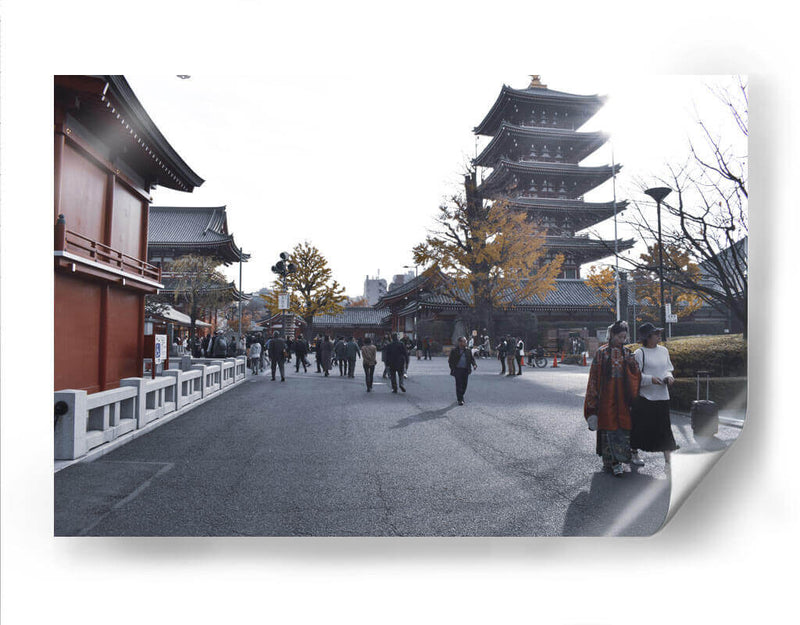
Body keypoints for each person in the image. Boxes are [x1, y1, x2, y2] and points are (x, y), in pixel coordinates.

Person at [583, 320, 641, 477]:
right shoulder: (602, 353)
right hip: (606, 398)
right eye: (620, 337)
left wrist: (633, 366)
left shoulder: (628, 353)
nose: (623, 340)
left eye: (624, 337)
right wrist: (593, 400)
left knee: (623, 428)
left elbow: (636, 375)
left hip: (623, 398)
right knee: (608, 429)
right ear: (613, 335)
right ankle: (612, 462)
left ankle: (621, 459)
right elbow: (594, 378)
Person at [630, 322, 680, 468]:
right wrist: (650, 379)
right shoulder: (640, 353)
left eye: (658, 333)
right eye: (655, 334)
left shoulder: (664, 350)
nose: (659, 335)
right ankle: (634, 452)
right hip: (645, 397)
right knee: (640, 428)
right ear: (647, 337)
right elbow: (636, 376)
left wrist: (669, 376)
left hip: (662, 395)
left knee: (665, 429)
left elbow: (668, 368)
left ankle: (669, 461)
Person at [448, 336, 478, 405]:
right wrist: (452, 368)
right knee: (459, 384)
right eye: (463, 341)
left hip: (466, 369)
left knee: (464, 384)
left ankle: (461, 395)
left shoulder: (468, 350)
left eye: (465, 341)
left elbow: (471, 359)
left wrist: (474, 365)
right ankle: (460, 399)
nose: (464, 343)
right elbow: (450, 361)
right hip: (458, 369)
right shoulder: (454, 351)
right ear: (459, 342)